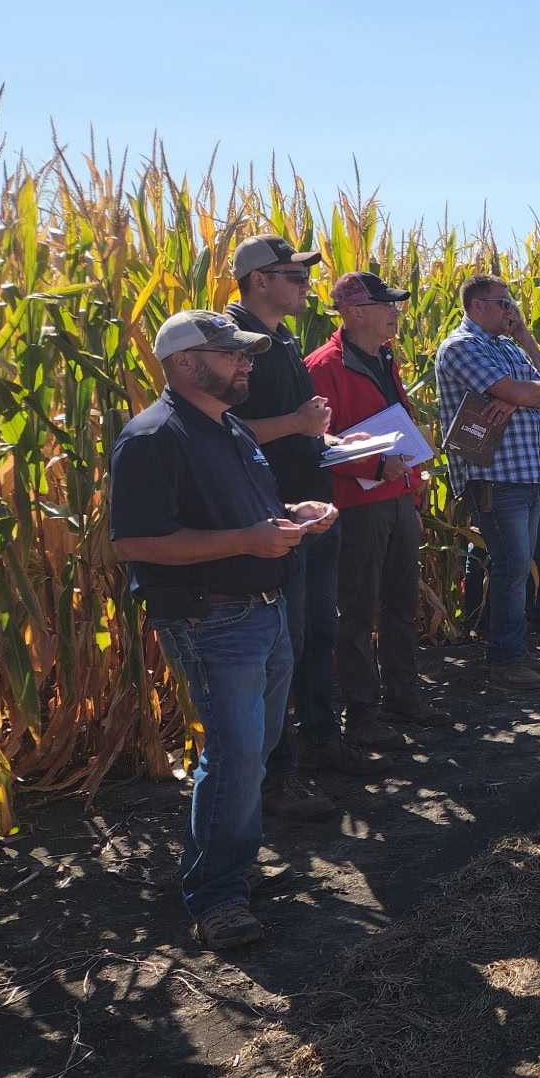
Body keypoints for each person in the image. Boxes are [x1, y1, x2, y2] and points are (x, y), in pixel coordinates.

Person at [109, 310, 338, 950]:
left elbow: (255, 512)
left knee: (256, 748)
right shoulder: (153, 437)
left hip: (264, 610)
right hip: (211, 617)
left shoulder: (230, 428)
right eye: (232, 355)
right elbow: (135, 542)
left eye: (245, 355)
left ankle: (226, 863)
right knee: (235, 754)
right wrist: (249, 539)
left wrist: (297, 515)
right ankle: (217, 896)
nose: (246, 364)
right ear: (185, 363)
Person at [225, 233, 384, 817]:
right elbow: (228, 430)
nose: (306, 285)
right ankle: (276, 773)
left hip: (315, 506)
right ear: (259, 280)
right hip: (273, 514)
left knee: (318, 632)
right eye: (294, 276)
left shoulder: (285, 338)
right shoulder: (234, 342)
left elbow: (298, 427)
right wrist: (296, 423)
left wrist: (335, 440)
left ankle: (320, 742)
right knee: (284, 647)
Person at [305, 272, 438, 750]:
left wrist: (411, 493)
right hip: (357, 506)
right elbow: (314, 441)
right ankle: (361, 714)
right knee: (357, 612)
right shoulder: (323, 366)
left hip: (397, 499)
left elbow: (396, 429)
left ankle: (405, 696)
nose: (395, 311)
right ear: (355, 311)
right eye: (386, 305)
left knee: (401, 605)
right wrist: (376, 463)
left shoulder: (384, 358)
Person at [434, 273, 540, 690]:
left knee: (521, 567)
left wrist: (525, 340)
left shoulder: (508, 347)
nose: (511, 311)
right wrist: (522, 395)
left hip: (529, 473)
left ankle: (516, 648)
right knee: (510, 567)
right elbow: (524, 393)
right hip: (495, 476)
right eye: (503, 303)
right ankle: (504, 659)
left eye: (512, 304)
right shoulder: (462, 347)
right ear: (477, 306)